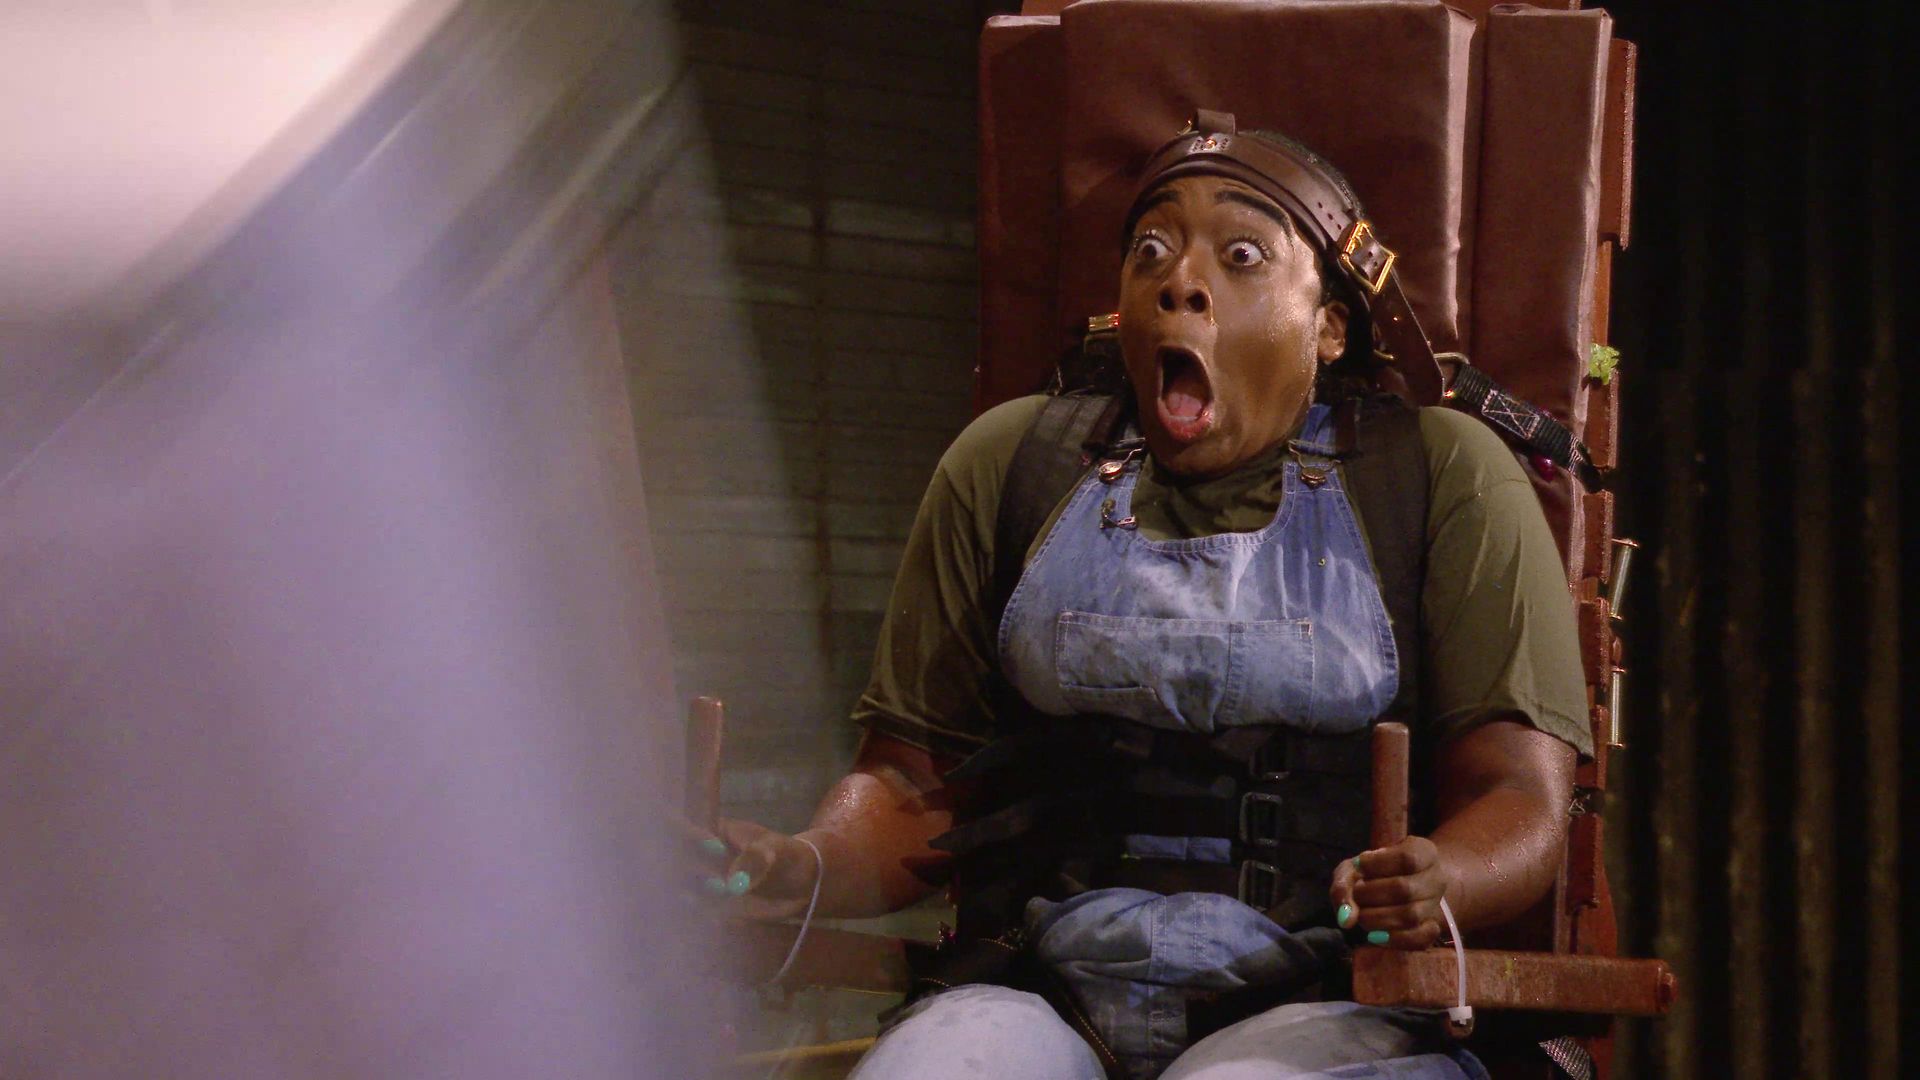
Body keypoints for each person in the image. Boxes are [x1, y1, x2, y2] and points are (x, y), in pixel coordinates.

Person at [702, 115, 1592, 1080]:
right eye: (1151, 252)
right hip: (1046, 988)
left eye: (1242, 256)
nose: (1180, 282)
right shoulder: (1014, 465)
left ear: (1329, 324)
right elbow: (911, 786)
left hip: (1329, 1000)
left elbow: (1518, 797)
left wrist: (1442, 876)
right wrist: (803, 865)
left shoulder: (1436, 476)